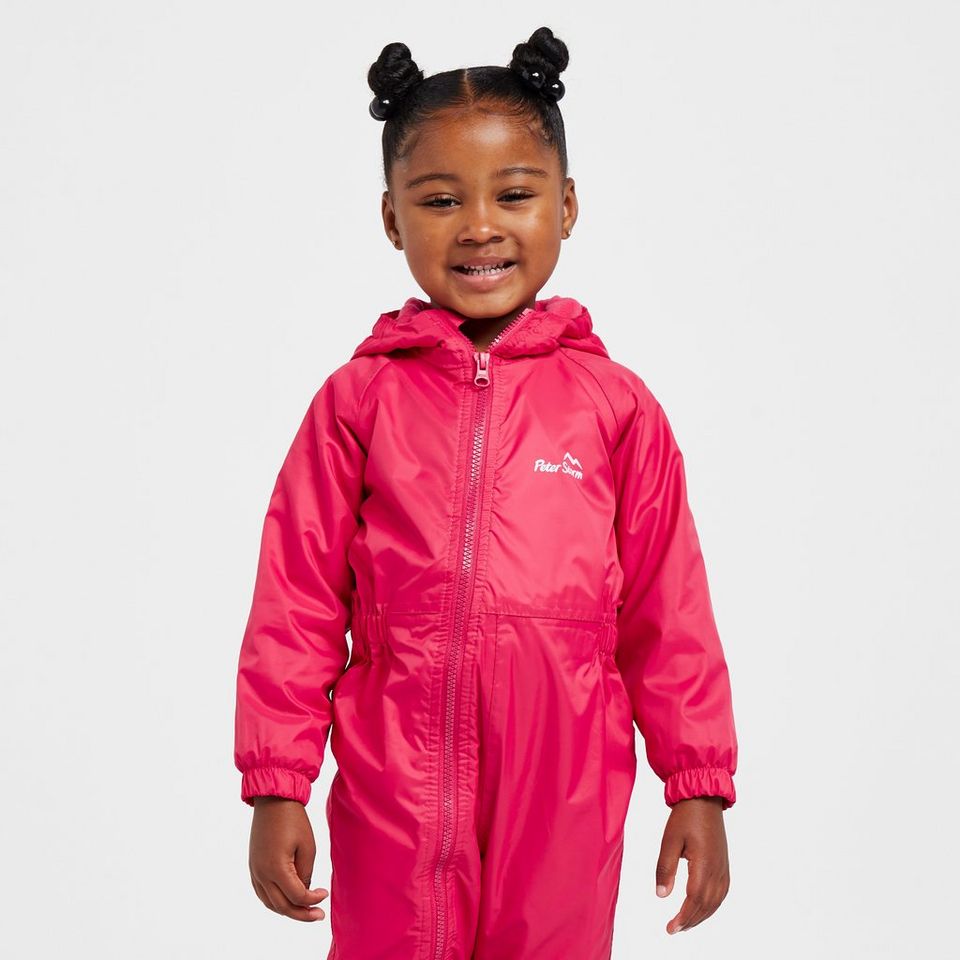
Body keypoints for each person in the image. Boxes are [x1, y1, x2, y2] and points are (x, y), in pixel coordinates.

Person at [233, 25, 739, 959]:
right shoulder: (358, 401)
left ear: (566, 205)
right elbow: (296, 601)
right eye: (439, 199)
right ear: (392, 219)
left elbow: (670, 610)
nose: (478, 226)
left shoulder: (616, 407)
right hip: (393, 777)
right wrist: (277, 783)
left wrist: (697, 783)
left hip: (568, 782)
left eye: (513, 194)